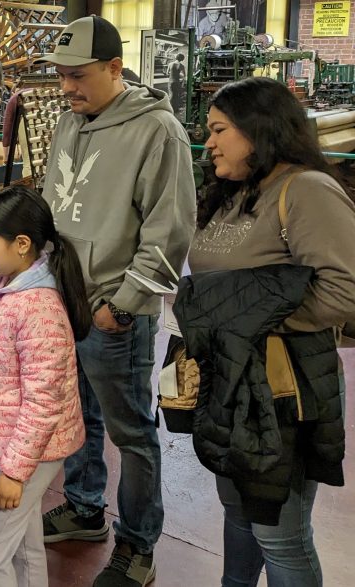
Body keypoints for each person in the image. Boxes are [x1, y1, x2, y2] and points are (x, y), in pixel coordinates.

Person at [34, 15, 197, 586]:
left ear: (113, 67)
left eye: (77, 76)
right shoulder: (69, 122)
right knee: (75, 416)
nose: (67, 88)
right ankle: (83, 508)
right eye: (60, 77)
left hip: (114, 314)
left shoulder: (158, 131)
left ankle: (138, 545)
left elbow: (170, 232)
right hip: (64, 303)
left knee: (131, 432)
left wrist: (122, 305)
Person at [189, 76, 355, 586]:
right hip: (232, 382)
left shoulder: (305, 189)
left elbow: (345, 289)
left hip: (285, 388)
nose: (209, 142)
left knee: (281, 535)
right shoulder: (235, 192)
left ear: (258, 130)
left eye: (218, 130)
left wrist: (250, 323)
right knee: (238, 515)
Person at [0, 185, 90, 587]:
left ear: (21, 244)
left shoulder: (37, 307)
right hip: (19, 443)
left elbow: (43, 403)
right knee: (22, 545)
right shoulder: (7, 288)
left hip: (31, 450)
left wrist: (14, 471)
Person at [167, 52, 187, 117]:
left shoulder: (170, 64)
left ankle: (169, 108)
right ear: (182, 59)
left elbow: (167, 73)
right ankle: (175, 109)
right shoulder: (181, 66)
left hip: (170, 82)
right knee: (176, 96)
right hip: (177, 82)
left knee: (171, 95)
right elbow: (184, 75)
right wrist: (180, 77)